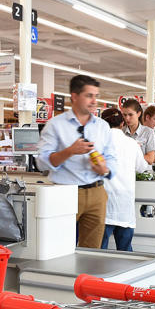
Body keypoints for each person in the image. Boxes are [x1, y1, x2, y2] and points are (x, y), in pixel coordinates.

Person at [36, 74, 115, 248]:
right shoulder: (55, 125)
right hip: (66, 192)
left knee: (93, 248)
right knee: (60, 245)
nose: (94, 101)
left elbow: (111, 157)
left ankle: (87, 276)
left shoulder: (102, 126)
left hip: (97, 192)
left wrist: (105, 169)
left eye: (96, 96)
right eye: (89, 95)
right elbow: (41, 162)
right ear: (74, 96)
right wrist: (70, 151)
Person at [99, 107, 150, 251]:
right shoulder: (132, 143)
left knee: (98, 252)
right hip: (124, 204)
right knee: (126, 251)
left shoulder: (97, 143)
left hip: (104, 203)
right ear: (122, 124)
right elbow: (142, 167)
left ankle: (97, 274)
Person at [121, 98, 155, 165]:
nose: (127, 118)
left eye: (130, 115)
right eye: (124, 115)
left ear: (138, 114)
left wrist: (127, 155)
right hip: (127, 172)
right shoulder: (121, 132)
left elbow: (150, 159)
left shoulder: (148, 132)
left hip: (144, 174)